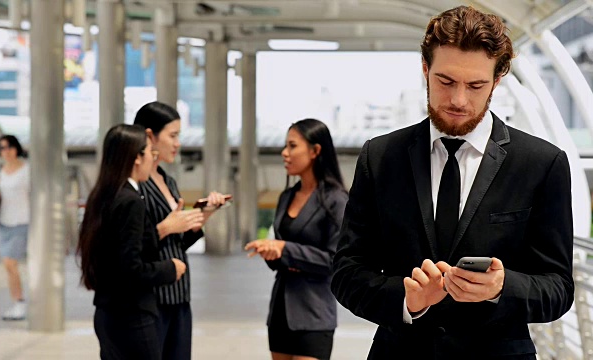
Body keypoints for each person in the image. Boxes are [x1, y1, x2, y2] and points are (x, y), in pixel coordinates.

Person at [330, 6, 574, 359]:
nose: (459, 100)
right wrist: (406, 299)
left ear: (498, 79)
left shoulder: (541, 163)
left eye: (476, 85)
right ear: (425, 69)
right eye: (445, 81)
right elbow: (347, 273)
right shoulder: (380, 157)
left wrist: (501, 287)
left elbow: (559, 288)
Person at [77, 124, 186, 360]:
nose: (152, 159)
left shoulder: (103, 195)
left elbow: (117, 256)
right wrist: (171, 268)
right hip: (131, 316)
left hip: (108, 312)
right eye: (150, 153)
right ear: (137, 157)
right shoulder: (131, 201)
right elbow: (131, 269)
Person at [245, 119, 348, 360]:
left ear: (315, 151)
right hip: (281, 309)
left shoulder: (336, 200)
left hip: (313, 312)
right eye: (285, 146)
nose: (284, 153)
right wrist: (271, 251)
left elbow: (336, 262)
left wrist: (284, 248)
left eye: (292, 146)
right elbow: (281, 254)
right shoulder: (286, 196)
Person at [133, 101, 229, 360]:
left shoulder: (167, 179)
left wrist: (204, 213)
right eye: (173, 136)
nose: (177, 144)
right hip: (151, 296)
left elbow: (175, 241)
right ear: (150, 136)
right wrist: (166, 227)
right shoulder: (134, 185)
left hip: (178, 293)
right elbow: (132, 244)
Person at [0, 135, 30, 321]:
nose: (6, 151)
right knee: (7, 266)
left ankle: (21, 302)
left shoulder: (26, 170)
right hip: (3, 222)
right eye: (2, 148)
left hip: (21, 222)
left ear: (16, 148)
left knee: (11, 263)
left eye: (9, 147)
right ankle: (16, 302)